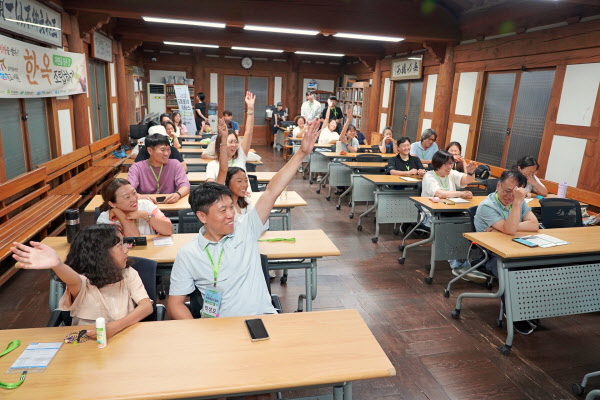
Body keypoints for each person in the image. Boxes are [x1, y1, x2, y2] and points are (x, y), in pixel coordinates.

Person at [166, 119, 321, 319]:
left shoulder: (246, 227)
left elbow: (272, 191)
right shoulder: (188, 254)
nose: (231, 214)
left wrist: (301, 153)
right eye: (222, 210)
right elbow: (175, 304)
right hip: (217, 328)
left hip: (260, 319)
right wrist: (199, 332)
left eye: (231, 207)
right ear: (202, 216)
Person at [11, 225, 153, 338]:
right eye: (120, 245)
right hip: (88, 341)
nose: (127, 249)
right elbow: (73, 280)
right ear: (101, 254)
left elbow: (146, 306)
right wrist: (58, 265)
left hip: (125, 336)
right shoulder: (83, 282)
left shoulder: (128, 273)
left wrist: (115, 327)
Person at [474, 169, 540, 334]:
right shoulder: (487, 206)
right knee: (512, 272)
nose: (510, 196)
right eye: (507, 191)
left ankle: (530, 309)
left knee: (537, 268)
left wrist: (506, 227)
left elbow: (534, 225)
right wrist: (510, 225)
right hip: (490, 255)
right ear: (498, 186)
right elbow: (510, 230)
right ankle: (513, 314)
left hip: (515, 249)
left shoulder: (519, 201)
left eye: (515, 193)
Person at [421, 150, 481, 282]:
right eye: (446, 164)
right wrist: (461, 194)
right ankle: (457, 265)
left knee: (468, 226)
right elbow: (439, 194)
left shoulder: (451, 173)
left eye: (451, 164)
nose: (450, 167)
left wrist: (470, 172)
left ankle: (468, 261)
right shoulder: (429, 176)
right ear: (438, 164)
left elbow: (466, 180)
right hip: (432, 215)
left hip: (451, 212)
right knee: (449, 229)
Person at [206, 92, 255, 182]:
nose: (234, 145)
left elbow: (249, 132)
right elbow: (211, 186)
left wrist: (250, 109)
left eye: (236, 142)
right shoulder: (212, 165)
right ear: (221, 144)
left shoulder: (240, 157)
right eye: (231, 142)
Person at [97, 178, 173, 236]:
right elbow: (133, 241)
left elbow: (168, 230)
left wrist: (144, 215)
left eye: (134, 193)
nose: (134, 199)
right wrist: (121, 216)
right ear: (112, 204)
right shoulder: (105, 219)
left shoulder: (146, 205)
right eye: (127, 197)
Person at [127, 134, 190, 203]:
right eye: (162, 150)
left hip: (170, 204)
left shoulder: (175, 164)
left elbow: (185, 185)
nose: (166, 153)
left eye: (168, 149)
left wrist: (178, 194)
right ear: (150, 150)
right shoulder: (137, 167)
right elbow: (128, 188)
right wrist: (139, 197)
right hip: (146, 205)